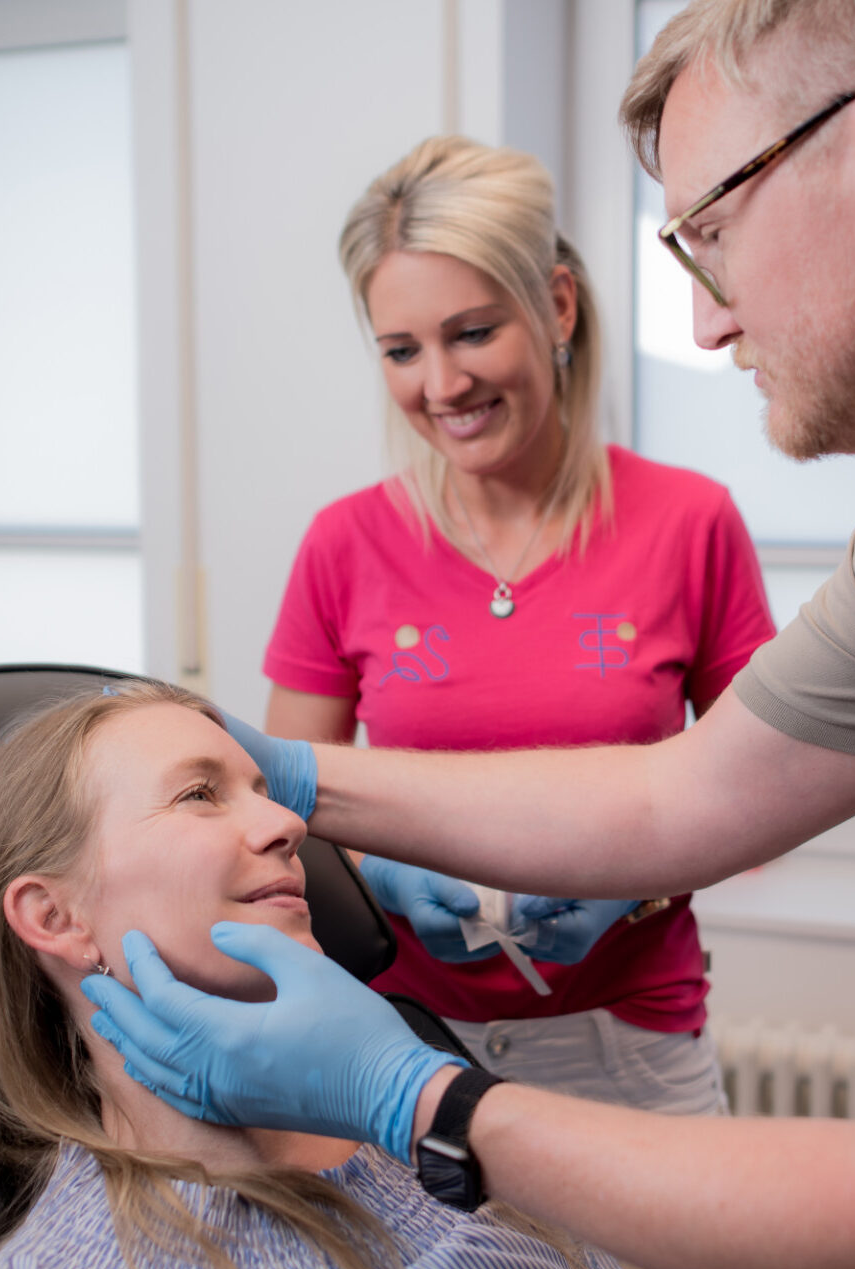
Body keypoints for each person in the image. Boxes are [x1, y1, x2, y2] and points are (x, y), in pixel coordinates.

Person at [83, 1, 855, 1269]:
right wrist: (295, 782)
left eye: (714, 232)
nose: (708, 324)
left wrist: (421, 1102)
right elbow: (680, 792)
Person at [260, 134, 774, 1110]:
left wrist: (641, 875)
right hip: (406, 1050)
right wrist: (383, 875)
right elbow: (290, 813)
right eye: (402, 350)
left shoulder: (688, 524)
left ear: (558, 306)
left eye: (472, 332)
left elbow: (769, 797)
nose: (442, 386)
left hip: (634, 1052)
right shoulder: (344, 545)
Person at [0, 680, 635, 1269]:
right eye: (197, 794)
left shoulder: (455, 1147)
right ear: (54, 916)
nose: (290, 824)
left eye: (265, 791)